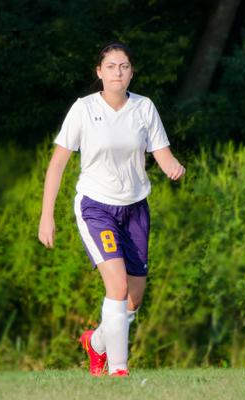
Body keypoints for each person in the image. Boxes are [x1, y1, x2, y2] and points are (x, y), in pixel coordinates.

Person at [38, 42, 185, 376]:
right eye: (111, 66)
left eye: (124, 66)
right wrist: (46, 216)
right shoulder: (83, 109)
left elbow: (162, 153)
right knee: (116, 287)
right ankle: (118, 371)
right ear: (99, 72)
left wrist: (173, 167)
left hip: (135, 209)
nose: (118, 72)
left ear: (131, 72)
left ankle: (97, 342)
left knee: (133, 299)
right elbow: (58, 163)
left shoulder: (145, 108)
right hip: (96, 207)